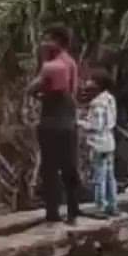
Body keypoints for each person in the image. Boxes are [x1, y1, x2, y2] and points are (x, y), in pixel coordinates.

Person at [27, 24, 81, 224]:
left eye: (48, 40)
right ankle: (73, 210)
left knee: (50, 168)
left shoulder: (51, 66)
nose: (44, 44)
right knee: (69, 166)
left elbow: (32, 89)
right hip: (69, 120)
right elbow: (70, 91)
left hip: (51, 121)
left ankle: (53, 212)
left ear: (57, 42)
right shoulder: (71, 63)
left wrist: (40, 93)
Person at [78, 67, 118, 217]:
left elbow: (96, 126)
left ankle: (100, 205)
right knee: (110, 175)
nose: (87, 83)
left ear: (98, 84)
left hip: (99, 144)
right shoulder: (110, 98)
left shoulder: (97, 104)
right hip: (110, 140)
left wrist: (80, 122)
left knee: (99, 176)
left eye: (91, 80)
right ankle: (112, 205)